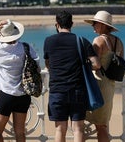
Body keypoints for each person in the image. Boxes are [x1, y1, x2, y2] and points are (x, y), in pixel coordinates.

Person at [43, 10, 101, 142]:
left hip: (57, 90)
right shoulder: (81, 41)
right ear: (72, 24)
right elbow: (96, 64)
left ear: (57, 25)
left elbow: (48, 63)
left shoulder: (49, 41)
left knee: (59, 129)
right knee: (78, 129)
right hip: (77, 90)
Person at [0, 19, 40, 142]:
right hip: (24, 94)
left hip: (7, 95)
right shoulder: (25, 47)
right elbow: (37, 66)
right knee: (20, 133)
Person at [84, 10, 125, 142]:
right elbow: (121, 62)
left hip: (98, 85)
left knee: (98, 126)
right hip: (110, 85)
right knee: (103, 124)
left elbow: (93, 63)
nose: (93, 26)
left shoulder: (99, 40)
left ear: (102, 25)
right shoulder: (118, 42)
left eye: (95, 23)